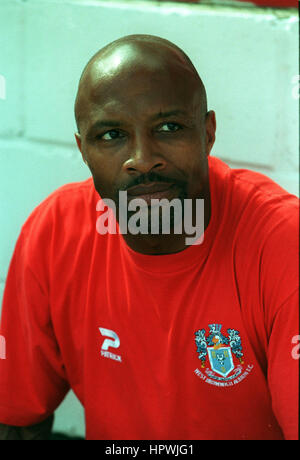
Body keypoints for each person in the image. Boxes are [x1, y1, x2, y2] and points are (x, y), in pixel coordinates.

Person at [0, 34, 298, 441]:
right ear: (82, 149)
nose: (142, 158)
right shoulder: (53, 231)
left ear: (207, 132)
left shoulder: (282, 244)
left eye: (169, 127)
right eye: (111, 135)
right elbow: (17, 420)